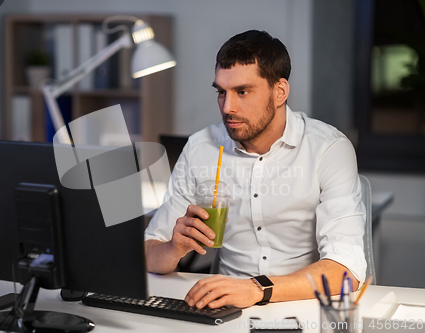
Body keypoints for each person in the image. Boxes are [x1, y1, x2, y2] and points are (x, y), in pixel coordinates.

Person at [144, 30, 366, 309]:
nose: (228, 107)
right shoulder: (201, 147)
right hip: (222, 305)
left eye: (243, 92)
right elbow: (149, 252)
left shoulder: (328, 149)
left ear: (280, 91)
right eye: (221, 92)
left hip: (301, 302)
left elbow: (346, 268)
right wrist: (173, 248)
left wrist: (255, 289)